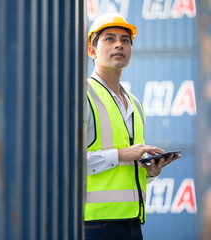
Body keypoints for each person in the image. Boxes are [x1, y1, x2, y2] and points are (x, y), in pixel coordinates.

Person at [84, 12, 182, 240]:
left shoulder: (135, 103)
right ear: (92, 51)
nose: (119, 44)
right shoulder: (82, 95)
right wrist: (120, 155)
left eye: (125, 40)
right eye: (109, 38)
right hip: (93, 226)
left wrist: (150, 173)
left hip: (133, 223)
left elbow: (124, 170)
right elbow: (65, 164)